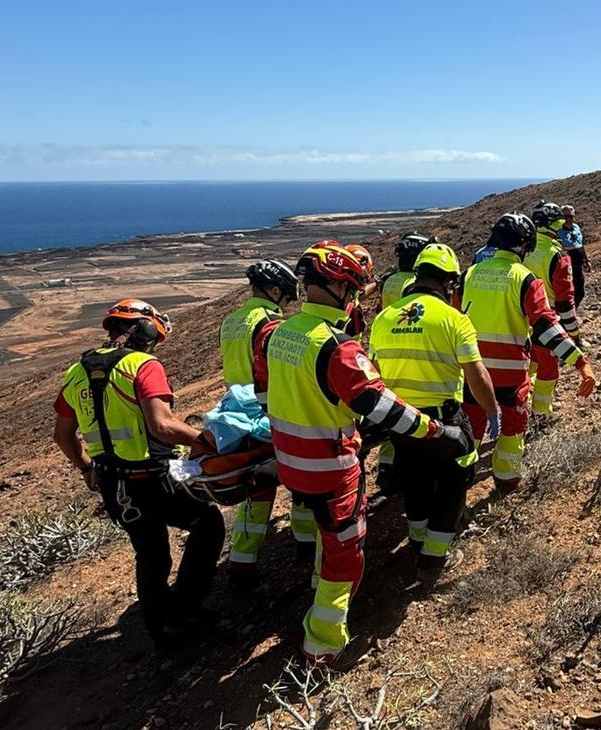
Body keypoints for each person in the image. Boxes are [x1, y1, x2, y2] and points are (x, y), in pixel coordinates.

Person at [264, 242, 470, 665]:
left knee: (326, 535)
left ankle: (316, 588)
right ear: (339, 288)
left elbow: (272, 396)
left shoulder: (278, 333)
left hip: (292, 462)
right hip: (331, 466)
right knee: (346, 555)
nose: (355, 299)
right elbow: (383, 407)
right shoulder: (338, 348)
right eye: (353, 290)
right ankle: (323, 645)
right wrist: (436, 430)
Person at [52, 299, 223, 650]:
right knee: (207, 524)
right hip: (153, 476)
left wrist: (87, 468)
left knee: (150, 552)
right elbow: (161, 425)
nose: (154, 344)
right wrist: (205, 441)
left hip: (114, 484)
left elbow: (62, 435)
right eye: (154, 337)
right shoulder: (143, 365)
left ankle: (161, 630)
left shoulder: (76, 371)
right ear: (144, 331)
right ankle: (187, 606)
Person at [369, 243, 498, 587]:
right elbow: (477, 374)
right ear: (449, 283)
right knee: (454, 484)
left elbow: (374, 372)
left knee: (415, 482)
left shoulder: (384, 318)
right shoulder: (454, 319)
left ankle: (416, 543)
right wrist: (492, 410)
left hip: (399, 422)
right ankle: (435, 559)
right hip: (443, 421)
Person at [459, 213, 596, 490]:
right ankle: (506, 479)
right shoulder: (524, 278)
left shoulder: (470, 273)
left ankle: (459, 482)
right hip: (510, 372)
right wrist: (580, 362)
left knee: (471, 427)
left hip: (472, 370)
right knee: (513, 427)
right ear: (525, 245)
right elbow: (546, 326)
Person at [217, 260, 315, 582]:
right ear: (274, 291)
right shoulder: (269, 325)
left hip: (236, 412)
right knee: (299, 477)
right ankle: (305, 541)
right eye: (285, 297)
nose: (286, 304)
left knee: (254, 487)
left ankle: (242, 560)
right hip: (266, 411)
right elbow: (271, 373)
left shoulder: (231, 321)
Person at [375, 232, 432, 494]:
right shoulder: (413, 284)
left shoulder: (388, 281)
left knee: (389, 411)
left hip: (385, 353)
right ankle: (405, 470)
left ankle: (386, 468)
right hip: (408, 352)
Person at [523, 200, 581, 415]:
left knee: (529, 362)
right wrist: (573, 333)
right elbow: (565, 300)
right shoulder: (556, 255)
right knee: (548, 368)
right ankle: (541, 413)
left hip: (520, 318)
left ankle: (522, 399)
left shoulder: (522, 249)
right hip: (546, 319)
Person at [558, 205, 590, 308]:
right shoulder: (558, 231)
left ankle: (573, 311)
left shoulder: (576, 228)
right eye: (566, 217)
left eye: (571, 216)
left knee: (580, 292)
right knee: (568, 293)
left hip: (578, 266)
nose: (569, 219)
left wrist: (586, 260)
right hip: (566, 268)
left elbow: (581, 245)